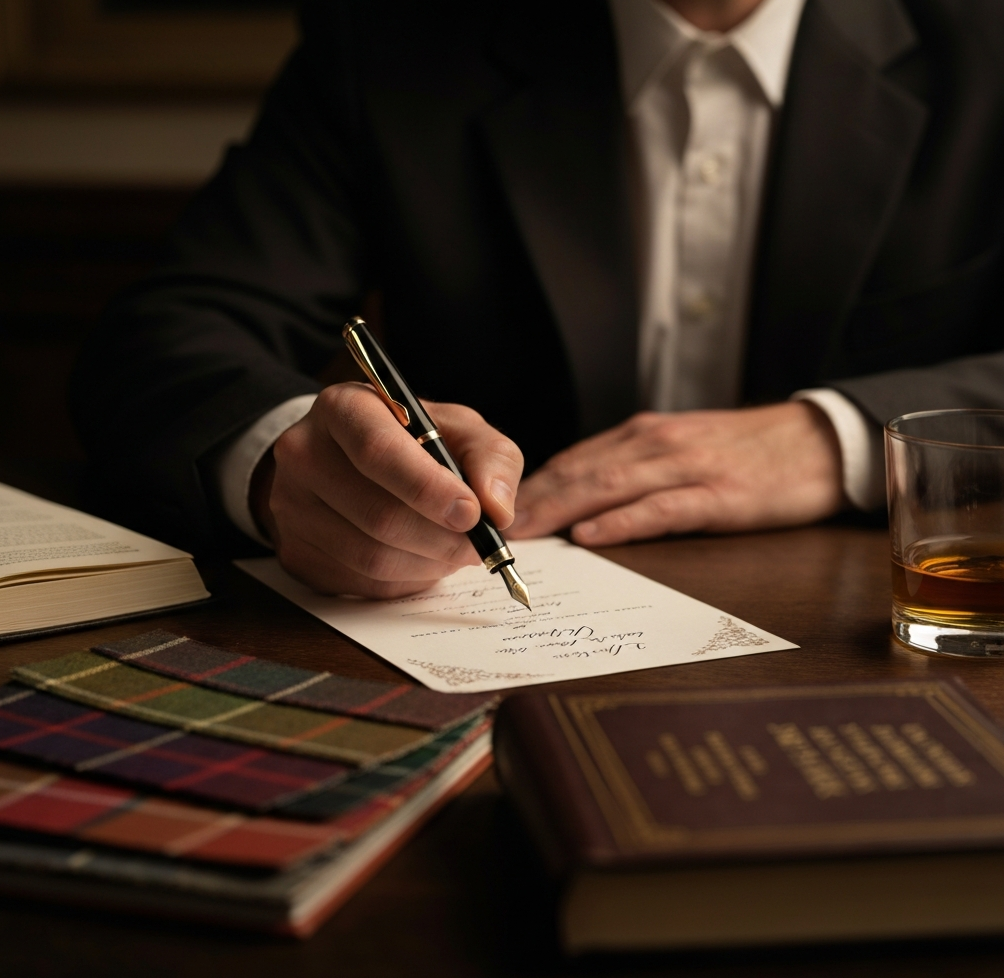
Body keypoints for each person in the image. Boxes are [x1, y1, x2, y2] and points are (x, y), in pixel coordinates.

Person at [71, 0, 1004, 600]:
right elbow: (170, 333)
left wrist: (831, 436)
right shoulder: (388, 38)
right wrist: (279, 465)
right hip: (474, 655)